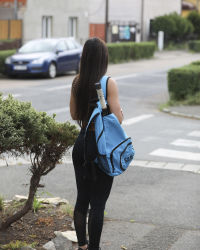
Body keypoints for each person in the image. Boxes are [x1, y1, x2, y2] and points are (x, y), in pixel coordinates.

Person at [70, 37, 124, 250]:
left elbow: (74, 114)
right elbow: (117, 118)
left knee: (82, 199)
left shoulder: (76, 81)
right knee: (98, 203)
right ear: (103, 58)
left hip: (81, 144)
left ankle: (82, 246)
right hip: (101, 147)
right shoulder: (108, 82)